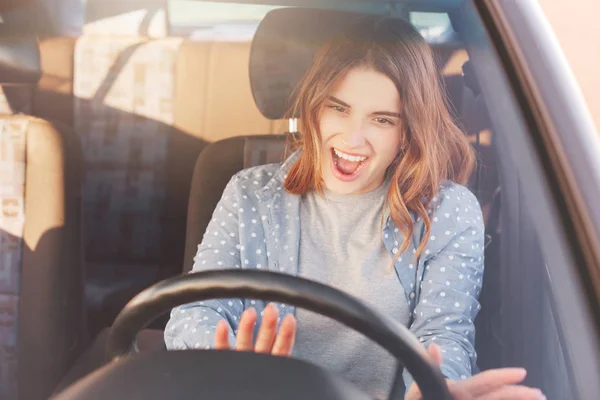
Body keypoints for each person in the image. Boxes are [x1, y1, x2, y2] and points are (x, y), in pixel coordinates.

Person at [165, 16, 545, 400]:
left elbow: (444, 334)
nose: (353, 138)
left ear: (406, 133)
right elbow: (195, 312)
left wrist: (435, 390)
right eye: (339, 108)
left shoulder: (447, 211)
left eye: (382, 119)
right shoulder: (250, 193)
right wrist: (231, 368)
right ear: (314, 109)